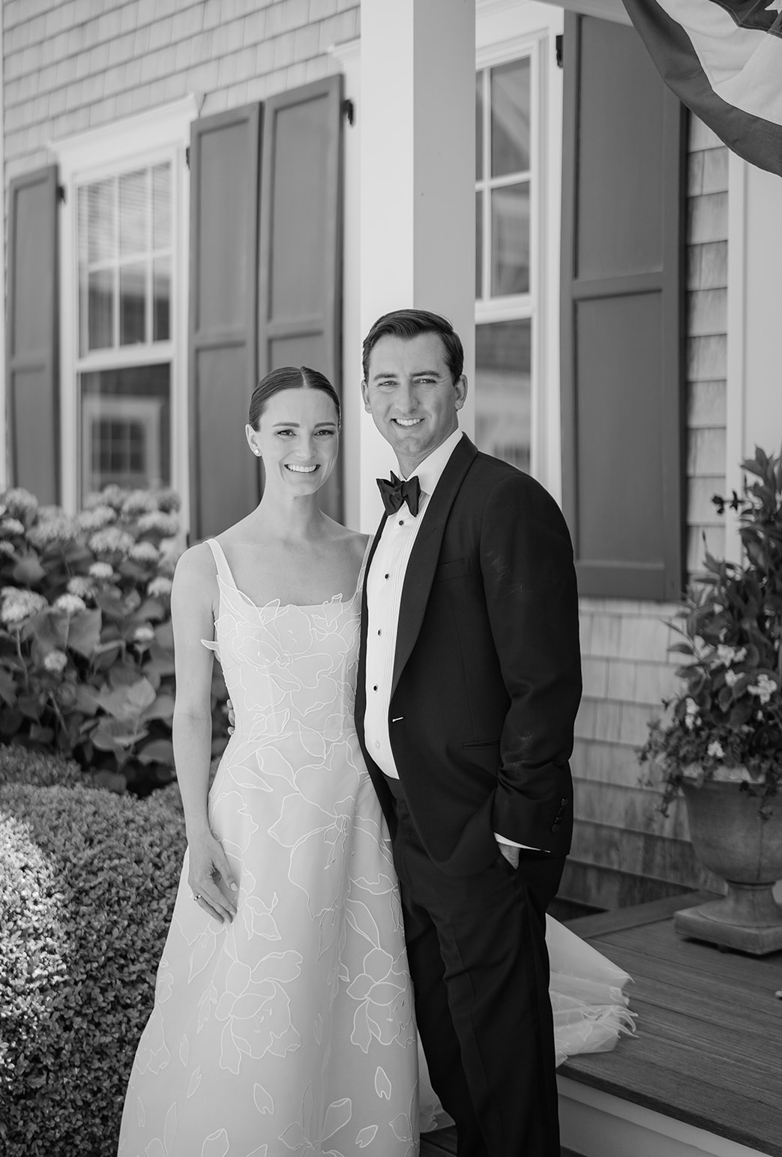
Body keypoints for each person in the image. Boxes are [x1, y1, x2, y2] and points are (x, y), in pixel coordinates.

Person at [118, 367, 420, 1157]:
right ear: (255, 439)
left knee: (342, 1011)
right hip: (251, 818)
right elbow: (190, 712)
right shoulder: (204, 566)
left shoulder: (370, 554)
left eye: (323, 430)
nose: (306, 449)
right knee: (253, 1011)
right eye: (286, 431)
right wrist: (197, 836)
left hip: (351, 816)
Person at [356, 308, 585, 1157]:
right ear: (369, 397)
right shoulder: (388, 517)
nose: (405, 399)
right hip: (401, 822)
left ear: (459, 387)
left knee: (503, 1058)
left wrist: (516, 825)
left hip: (478, 829)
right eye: (386, 381)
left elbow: (545, 683)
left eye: (424, 379)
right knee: (449, 1050)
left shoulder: (507, 502)